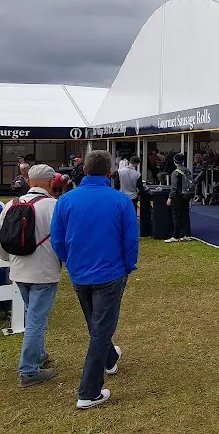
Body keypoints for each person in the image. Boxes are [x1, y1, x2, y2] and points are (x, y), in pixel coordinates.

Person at [50, 150, 139, 410]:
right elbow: (130, 239)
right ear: (109, 173)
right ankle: (89, 392)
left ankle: (110, 358)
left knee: (95, 322)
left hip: (81, 272)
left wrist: (70, 261)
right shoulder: (120, 201)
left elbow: (58, 239)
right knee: (100, 329)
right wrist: (127, 265)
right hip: (110, 273)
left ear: (84, 170)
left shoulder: (66, 200)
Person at [0, 165, 61, 388]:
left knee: (31, 314)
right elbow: (61, 239)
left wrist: (10, 260)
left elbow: (3, 239)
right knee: (36, 320)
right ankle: (29, 370)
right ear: (49, 182)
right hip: (44, 271)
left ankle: (38, 353)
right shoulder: (53, 206)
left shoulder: (11, 205)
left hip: (19, 269)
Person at [165, 153, 196, 243]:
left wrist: (170, 198)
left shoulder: (176, 173)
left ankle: (176, 235)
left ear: (175, 162)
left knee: (176, 216)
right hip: (187, 195)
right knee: (185, 215)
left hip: (178, 196)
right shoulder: (187, 170)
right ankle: (187, 234)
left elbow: (174, 188)